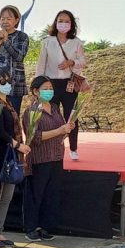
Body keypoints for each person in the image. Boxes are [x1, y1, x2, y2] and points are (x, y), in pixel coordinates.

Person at [22, 76, 74, 241]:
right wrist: (59, 131)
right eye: (45, 88)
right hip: (40, 158)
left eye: (51, 88)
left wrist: (66, 129)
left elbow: (61, 128)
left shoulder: (55, 108)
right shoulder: (31, 111)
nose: (49, 91)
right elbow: (34, 137)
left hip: (56, 155)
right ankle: (31, 227)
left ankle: (45, 226)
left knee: (51, 194)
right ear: (35, 91)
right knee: (35, 194)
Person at [0, 68, 31, 247]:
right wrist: (17, 145)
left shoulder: (9, 104)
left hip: (11, 156)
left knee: (6, 197)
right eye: (2, 82)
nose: (7, 85)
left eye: (9, 81)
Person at [36, 9, 87, 161]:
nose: (63, 24)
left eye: (67, 21)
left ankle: (73, 148)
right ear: (55, 23)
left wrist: (71, 62)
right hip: (50, 83)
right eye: (60, 21)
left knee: (71, 116)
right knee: (51, 115)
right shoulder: (47, 42)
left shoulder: (76, 42)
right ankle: (53, 146)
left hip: (69, 83)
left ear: (71, 24)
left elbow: (83, 61)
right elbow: (41, 64)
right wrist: (38, 83)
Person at [0, 5, 30, 117]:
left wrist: (6, 41)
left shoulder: (22, 36)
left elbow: (19, 56)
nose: (5, 21)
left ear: (16, 20)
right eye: (2, 19)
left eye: (8, 18)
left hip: (14, 85)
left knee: (12, 116)